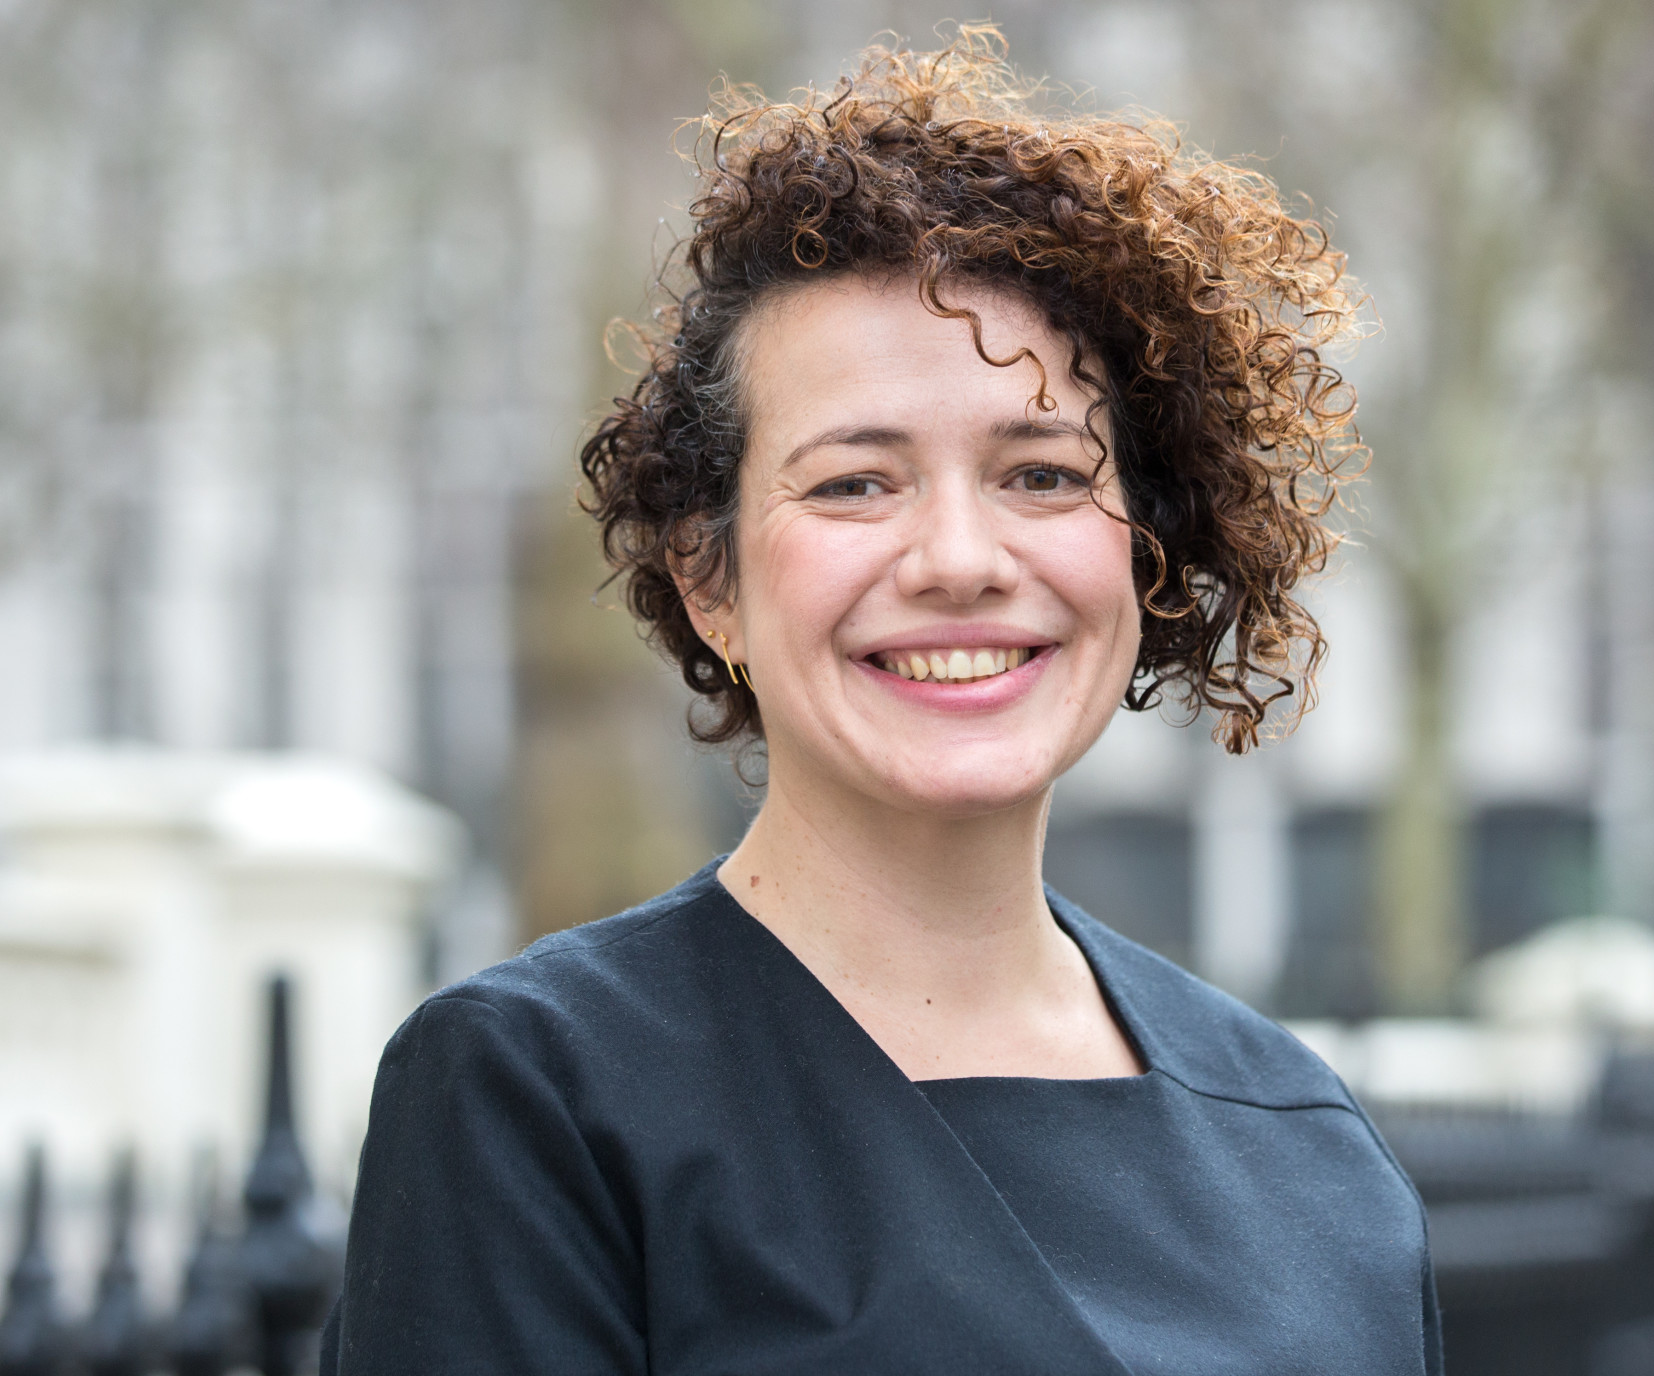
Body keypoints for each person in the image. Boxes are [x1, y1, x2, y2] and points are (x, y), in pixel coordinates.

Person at [323, 27, 1439, 1376]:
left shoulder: (1300, 1134)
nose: (961, 560)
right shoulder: (537, 1099)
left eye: (1040, 475)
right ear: (709, 581)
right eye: (855, 482)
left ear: (1148, 553)